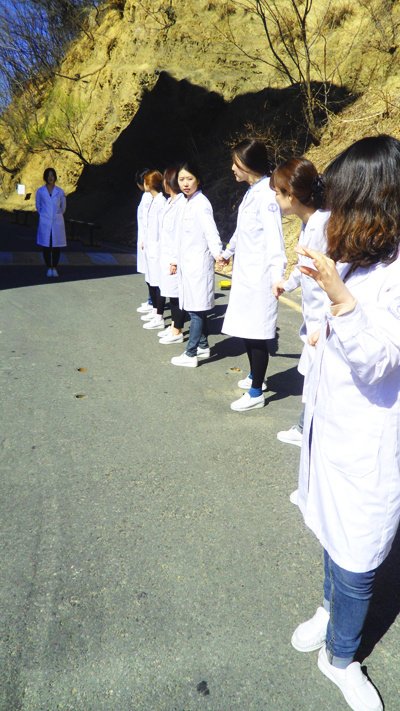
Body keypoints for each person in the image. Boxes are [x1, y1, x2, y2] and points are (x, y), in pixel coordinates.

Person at [291, 134, 400, 711]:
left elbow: (381, 359)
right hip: (331, 424)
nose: (331, 207)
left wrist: (340, 302)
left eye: (341, 196)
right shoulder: (361, 255)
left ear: (371, 198)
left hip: (368, 435)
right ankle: (329, 609)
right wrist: (322, 324)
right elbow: (338, 328)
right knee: (331, 529)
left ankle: (340, 658)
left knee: (358, 554)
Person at [217, 139, 286, 411]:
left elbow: (275, 240)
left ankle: (257, 391)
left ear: (248, 164)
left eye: (236, 163)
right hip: (246, 273)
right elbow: (242, 229)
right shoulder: (252, 191)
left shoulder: (267, 195)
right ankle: (255, 376)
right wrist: (228, 251)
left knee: (257, 332)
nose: (232, 168)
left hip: (260, 277)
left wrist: (277, 276)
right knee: (247, 328)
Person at [271, 157, 329, 446]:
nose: (276, 198)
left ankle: (307, 430)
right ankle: (307, 428)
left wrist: (327, 321)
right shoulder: (311, 222)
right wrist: (288, 283)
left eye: (277, 192)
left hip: (325, 317)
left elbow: (334, 276)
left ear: (291, 195)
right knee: (314, 375)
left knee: (318, 378)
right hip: (316, 315)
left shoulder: (321, 226)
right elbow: (303, 266)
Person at [171, 161, 222, 368]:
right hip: (187, 265)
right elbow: (180, 237)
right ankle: (202, 345)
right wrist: (175, 260)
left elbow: (211, 232)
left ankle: (190, 353)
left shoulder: (201, 203)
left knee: (196, 310)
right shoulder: (185, 202)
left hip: (198, 265)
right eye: (181, 179)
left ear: (198, 180)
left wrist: (218, 254)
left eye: (189, 179)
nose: (185, 183)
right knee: (195, 307)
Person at [157, 167, 186, 345]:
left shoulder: (181, 204)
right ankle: (175, 325)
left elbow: (179, 234)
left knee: (176, 295)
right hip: (165, 255)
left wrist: (175, 259)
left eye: (165, 180)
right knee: (170, 292)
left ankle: (177, 330)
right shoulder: (170, 201)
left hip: (174, 257)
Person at [140, 170, 167, 330]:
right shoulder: (153, 200)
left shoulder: (161, 202)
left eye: (145, 181)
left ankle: (159, 316)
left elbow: (161, 229)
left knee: (158, 283)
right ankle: (155, 310)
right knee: (151, 280)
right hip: (151, 247)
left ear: (150, 184)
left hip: (157, 249)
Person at [36, 167, 66, 278]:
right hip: (45, 222)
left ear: (55, 177)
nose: (50, 177)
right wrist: (45, 215)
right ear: (45, 177)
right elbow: (38, 206)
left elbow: (63, 207)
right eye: (48, 175)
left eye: (52, 175)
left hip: (57, 222)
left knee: (56, 246)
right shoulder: (40, 191)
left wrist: (57, 215)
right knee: (46, 246)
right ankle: (49, 267)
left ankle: (55, 267)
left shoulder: (60, 191)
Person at [135, 168, 154, 314]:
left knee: (151, 274)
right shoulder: (147, 196)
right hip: (144, 240)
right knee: (149, 273)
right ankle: (151, 300)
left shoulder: (148, 197)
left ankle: (152, 301)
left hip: (148, 241)